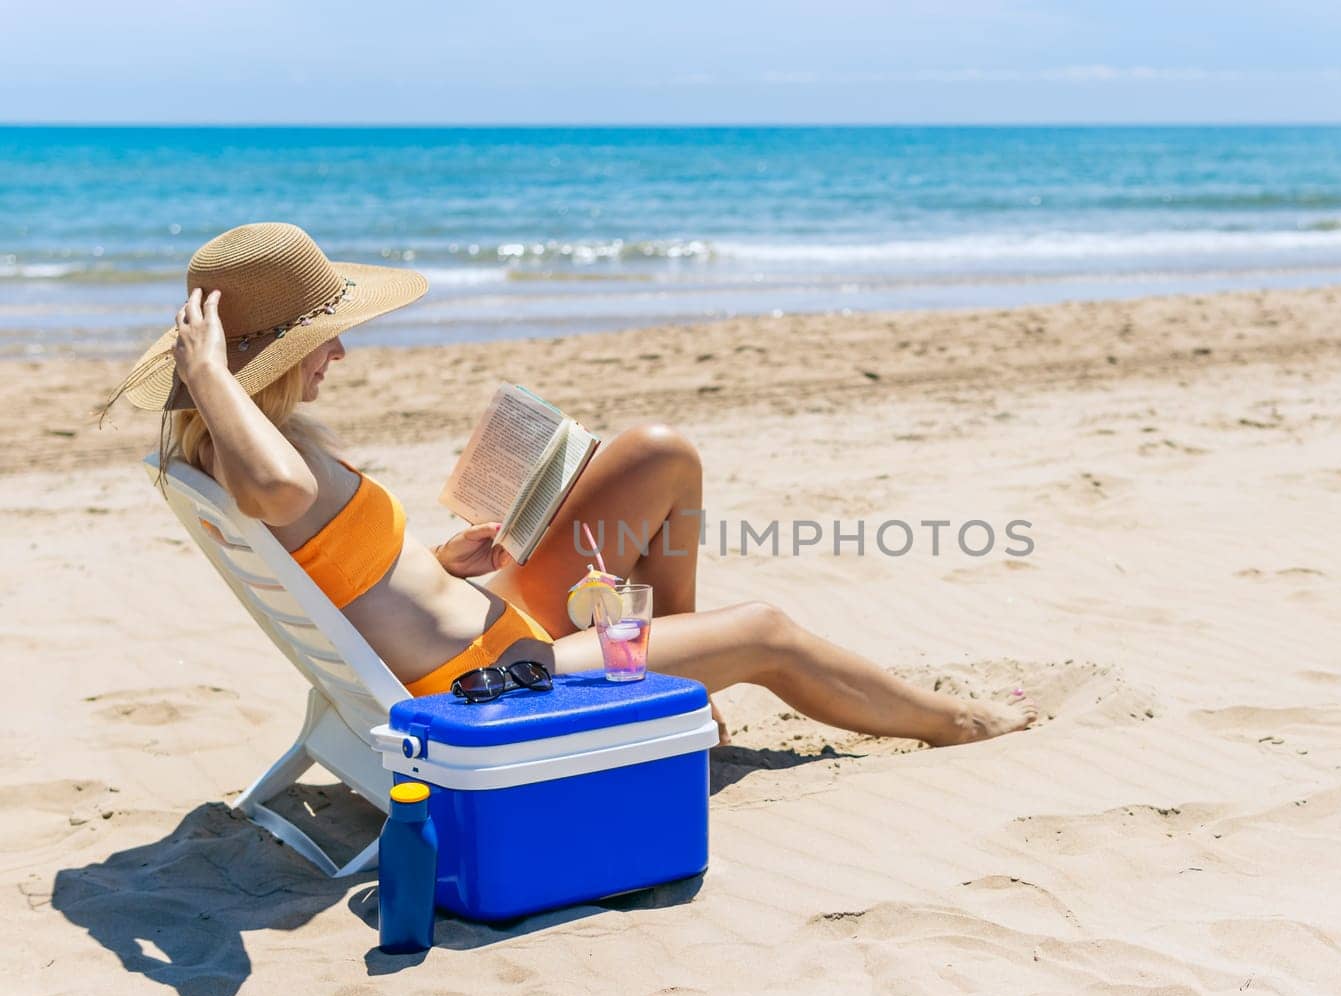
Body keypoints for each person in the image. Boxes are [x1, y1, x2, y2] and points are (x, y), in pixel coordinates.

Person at [103, 223, 1035, 747]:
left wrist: (435, 559)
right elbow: (272, 493)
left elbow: (325, 568)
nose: (339, 352)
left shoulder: (242, 444)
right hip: (495, 679)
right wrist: (216, 370)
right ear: (251, 362)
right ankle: (951, 722)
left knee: (656, 454)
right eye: (319, 340)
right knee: (770, 632)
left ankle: (680, 694)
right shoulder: (251, 453)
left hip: (486, 614)